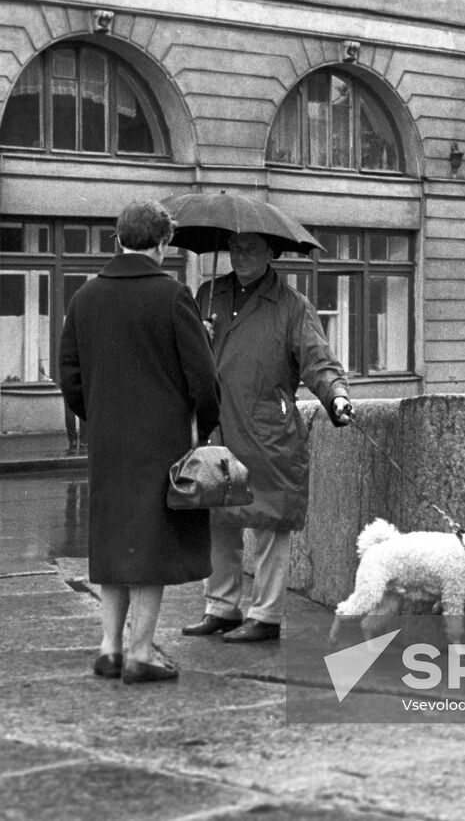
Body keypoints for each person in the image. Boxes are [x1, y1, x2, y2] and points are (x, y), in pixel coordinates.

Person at [58, 200, 220, 685]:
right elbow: (204, 377)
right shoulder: (173, 296)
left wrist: (102, 416)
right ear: (164, 243)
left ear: (118, 239)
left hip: (108, 441)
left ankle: (109, 648)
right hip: (162, 440)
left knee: (112, 542)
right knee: (151, 546)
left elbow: (70, 375)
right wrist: (202, 428)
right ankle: (142, 651)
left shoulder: (85, 297)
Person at [182, 231, 354, 644]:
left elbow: (318, 361)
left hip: (267, 431)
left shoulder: (292, 306)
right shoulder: (209, 295)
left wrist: (337, 396)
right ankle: (221, 607)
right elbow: (185, 355)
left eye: (252, 249)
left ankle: (265, 614)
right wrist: (198, 338)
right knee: (218, 518)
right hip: (218, 424)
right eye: (237, 248)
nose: (241, 256)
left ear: (271, 254)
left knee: (269, 522)